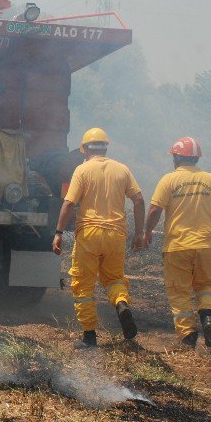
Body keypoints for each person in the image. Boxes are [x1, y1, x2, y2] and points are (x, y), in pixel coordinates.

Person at [52, 127, 145, 348]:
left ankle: (89, 336)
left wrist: (58, 233)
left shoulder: (82, 170)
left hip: (89, 234)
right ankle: (121, 303)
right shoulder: (122, 169)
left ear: (84, 149)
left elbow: (69, 203)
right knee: (113, 279)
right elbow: (139, 200)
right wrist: (139, 232)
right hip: (116, 235)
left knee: (83, 284)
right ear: (105, 147)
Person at [144, 137, 211, 349]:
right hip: (206, 244)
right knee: (206, 286)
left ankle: (187, 336)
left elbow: (155, 209)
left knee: (179, 291)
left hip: (177, 245)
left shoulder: (168, 180)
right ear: (196, 158)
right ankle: (209, 316)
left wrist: (146, 231)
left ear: (175, 157)